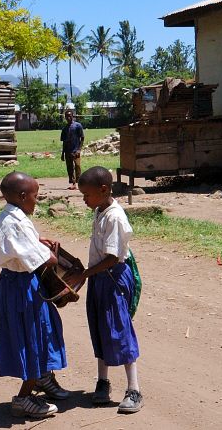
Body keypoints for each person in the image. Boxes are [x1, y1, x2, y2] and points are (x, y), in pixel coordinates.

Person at [0, 172, 70, 418]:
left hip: (20, 283)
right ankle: (23, 397)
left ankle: (43, 377)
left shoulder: (11, 215)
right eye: (35, 197)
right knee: (32, 336)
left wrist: (36, 240)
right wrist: (52, 254)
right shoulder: (14, 222)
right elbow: (46, 260)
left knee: (43, 330)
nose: (37, 201)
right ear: (23, 196)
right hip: (22, 288)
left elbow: (22, 243)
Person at [74, 165, 143, 414]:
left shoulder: (114, 217)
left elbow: (112, 258)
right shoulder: (100, 210)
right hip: (100, 278)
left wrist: (84, 273)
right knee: (101, 328)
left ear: (103, 190)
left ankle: (133, 389)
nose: (84, 200)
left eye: (87, 195)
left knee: (119, 331)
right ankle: (102, 382)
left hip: (112, 278)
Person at [60, 109, 84, 190]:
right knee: (70, 168)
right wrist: (62, 153)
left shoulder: (78, 126)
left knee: (77, 166)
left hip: (75, 150)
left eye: (70, 116)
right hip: (67, 151)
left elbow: (82, 138)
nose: (68, 117)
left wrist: (79, 150)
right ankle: (73, 183)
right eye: (66, 116)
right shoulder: (64, 129)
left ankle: (79, 182)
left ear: (73, 116)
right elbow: (64, 142)